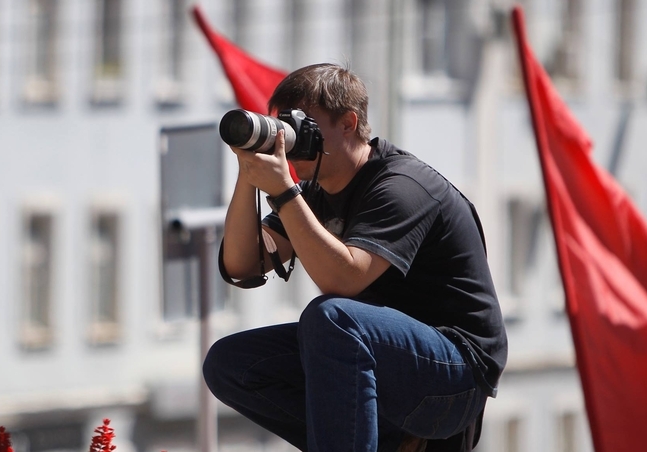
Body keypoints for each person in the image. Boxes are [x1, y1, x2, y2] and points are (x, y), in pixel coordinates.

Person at [203, 63, 508, 452]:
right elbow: (241, 264)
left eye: (302, 127)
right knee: (230, 363)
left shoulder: (401, 186)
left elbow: (343, 282)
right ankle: (380, 440)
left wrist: (282, 191)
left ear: (348, 123)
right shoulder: (312, 194)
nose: (290, 142)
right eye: (284, 127)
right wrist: (249, 174)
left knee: (331, 318)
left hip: (456, 373)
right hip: (382, 358)